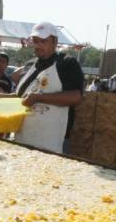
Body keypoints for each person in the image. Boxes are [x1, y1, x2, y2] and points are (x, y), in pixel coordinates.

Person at [8, 22, 84, 153]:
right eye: (35, 41)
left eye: (43, 41)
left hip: (51, 142)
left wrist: (38, 98)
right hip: (21, 138)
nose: (38, 45)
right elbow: (21, 97)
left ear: (55, 42)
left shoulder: (66, 63)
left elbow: (76, 97)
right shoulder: (29, 65)